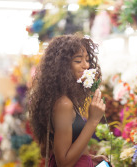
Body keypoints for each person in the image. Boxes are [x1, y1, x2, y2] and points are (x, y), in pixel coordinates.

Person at [28, 34, 109, 167]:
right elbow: (63, 163)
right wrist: (93, 120)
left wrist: (88, 158)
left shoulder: (61, 97)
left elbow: (49, 150)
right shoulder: (64, 103)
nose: (86, 65)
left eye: (87, 60)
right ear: (62, 67)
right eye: (78, 61)